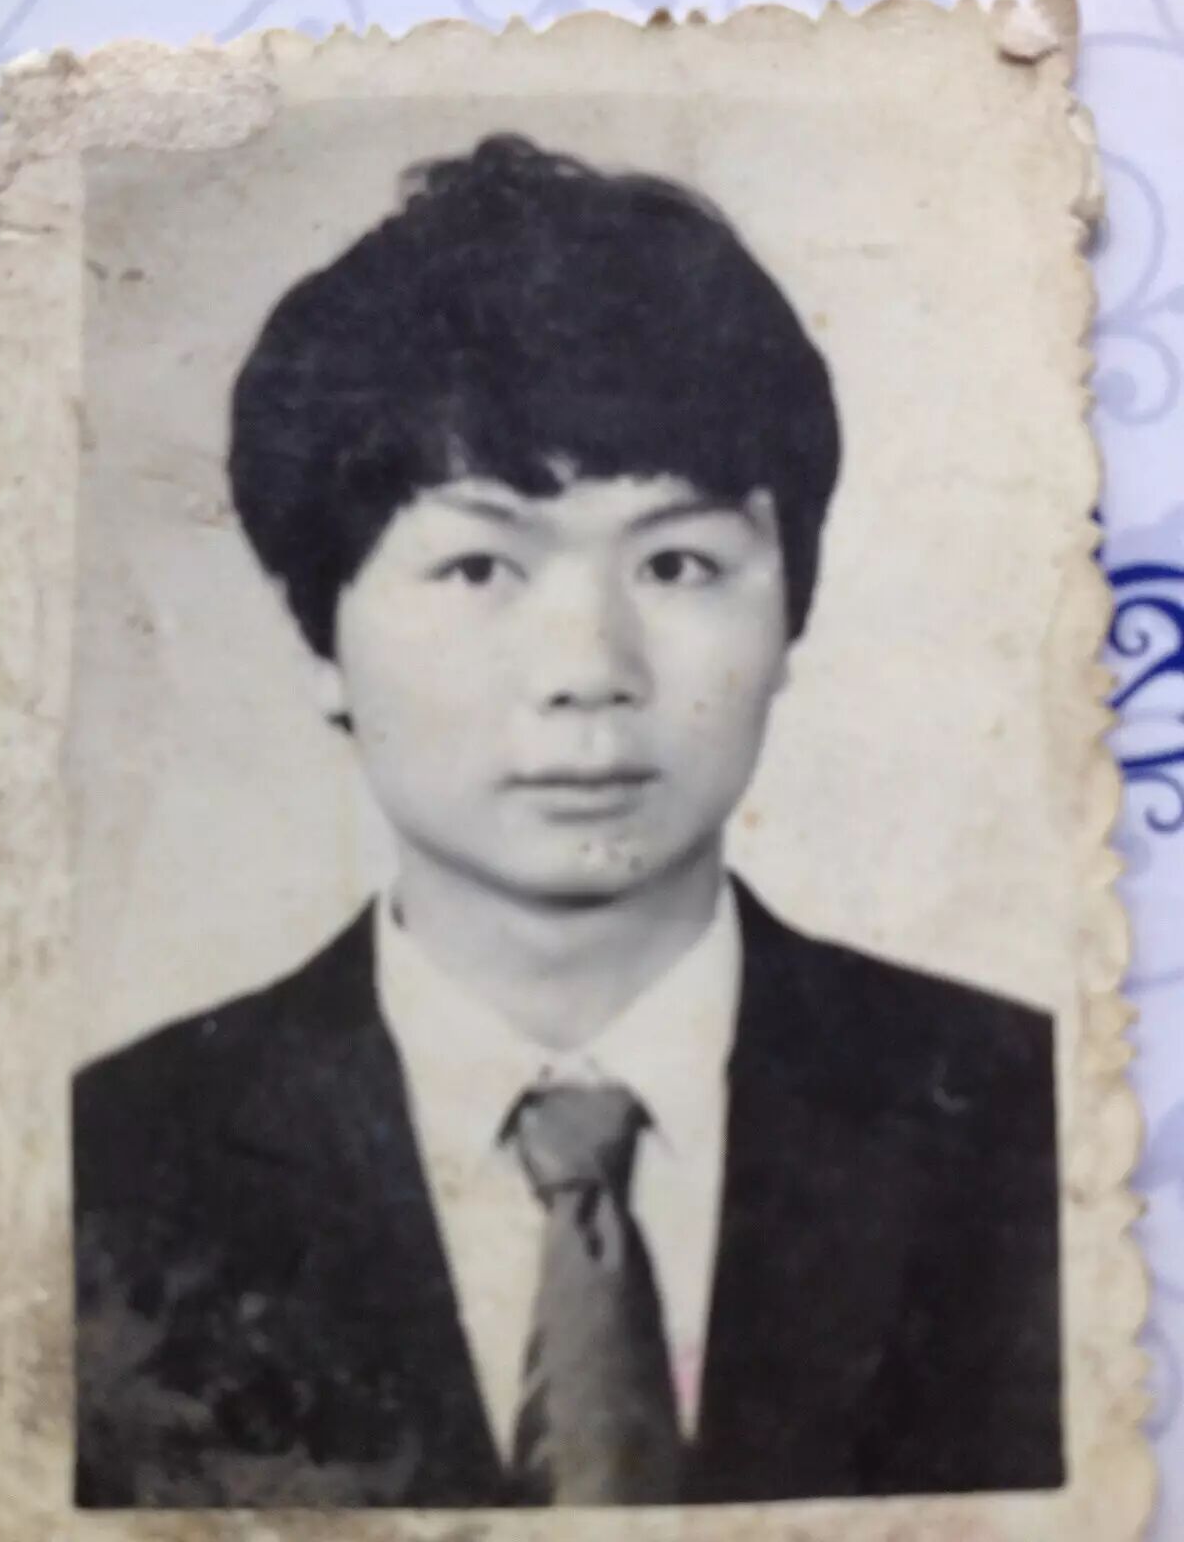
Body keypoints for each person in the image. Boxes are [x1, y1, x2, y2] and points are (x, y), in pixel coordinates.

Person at [73, 134, 1062, 1509]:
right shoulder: (103, 1163)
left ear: (792, 610)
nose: (590, 669)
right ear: (319, 637)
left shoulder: (1025, 1116)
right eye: (481, 565)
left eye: (679, 563)